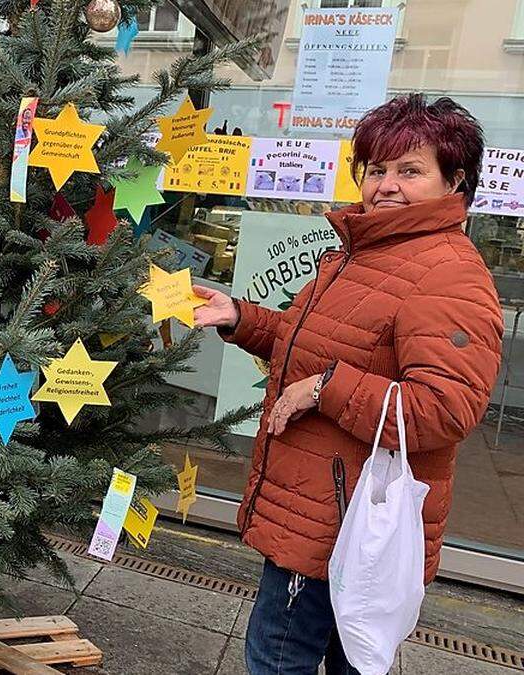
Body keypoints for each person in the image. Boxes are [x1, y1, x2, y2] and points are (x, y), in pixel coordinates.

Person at [193, 94, 505, 674]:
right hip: (319, 512)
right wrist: (243, 319)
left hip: (345, 523)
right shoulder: (367, 252)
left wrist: (322, 390)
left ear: (454, 181)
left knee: (278, 659)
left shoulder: (447, 274)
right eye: (377, 169)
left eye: (410, 171)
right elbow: (322, 343)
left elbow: (445, 410)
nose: (386, 185)